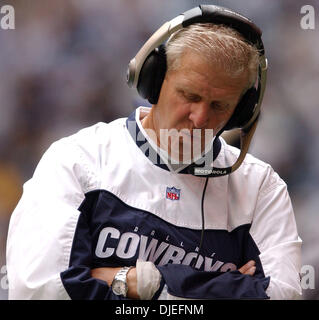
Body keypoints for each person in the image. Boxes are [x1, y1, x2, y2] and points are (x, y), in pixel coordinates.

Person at [6, 5, 302, 300]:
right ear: (154, 81)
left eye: (219, 106)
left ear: (241, 111)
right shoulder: (77, 161)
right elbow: (42, 291)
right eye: (190, 95)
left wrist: (144, 282)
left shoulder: (262, 188)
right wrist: (222, 287)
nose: (199, 118)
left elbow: (282, 295)